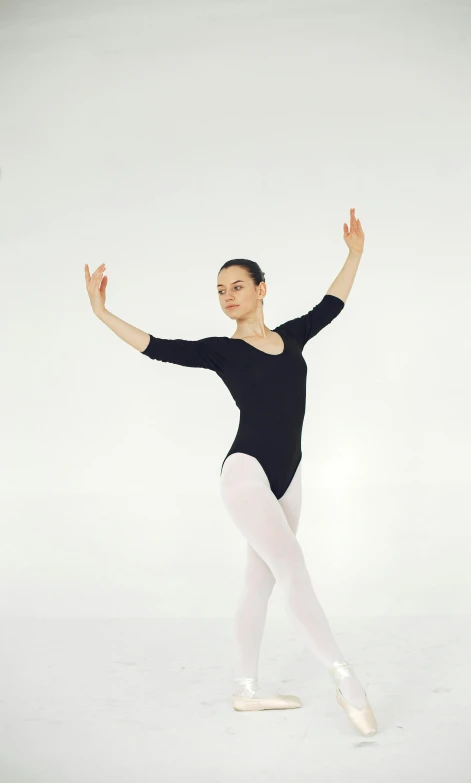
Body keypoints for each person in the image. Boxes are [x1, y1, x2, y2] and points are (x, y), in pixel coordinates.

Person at [84, 210, 377, 736]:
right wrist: (103, 313)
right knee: (293, 568)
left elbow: (331, 304)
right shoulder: (223, 352)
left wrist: (354, 254)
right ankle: (344, 675)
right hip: (245, 472)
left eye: (237, 286)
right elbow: (158, 348)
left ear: (262, 289)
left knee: (259, 581)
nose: (227, 296)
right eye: (220, 290)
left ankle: (246, 691)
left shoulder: (292, 337)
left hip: (290, 474)